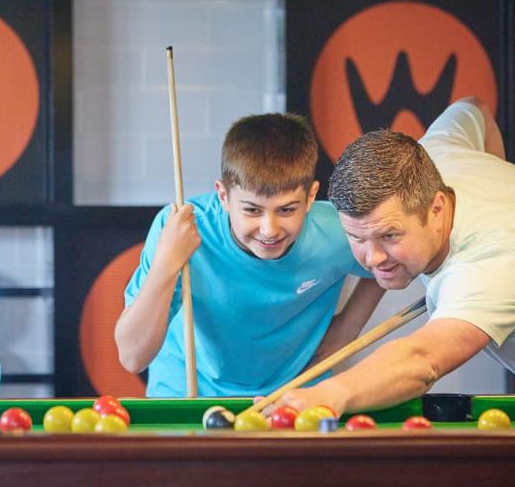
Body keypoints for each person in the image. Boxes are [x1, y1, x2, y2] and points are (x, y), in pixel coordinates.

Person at [274, 97, 515, 416]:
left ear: (436, 209)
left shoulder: (493, 265)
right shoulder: (435, 154)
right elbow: (473, 106)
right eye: (356, 237)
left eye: (389, 235)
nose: (372, 258)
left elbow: (422, 361)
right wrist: (506, 177)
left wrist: (327, 395)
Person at [115, 113, 385, 397]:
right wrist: (166, 265)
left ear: (310, 197)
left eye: (286, 210)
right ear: (222, 195)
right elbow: (132, 357)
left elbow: (386, 262)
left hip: (294, 395)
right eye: (252, 210)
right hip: (187, 396)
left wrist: (346, 329)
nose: (269, 230)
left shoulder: (337, 229)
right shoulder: (179, 228)